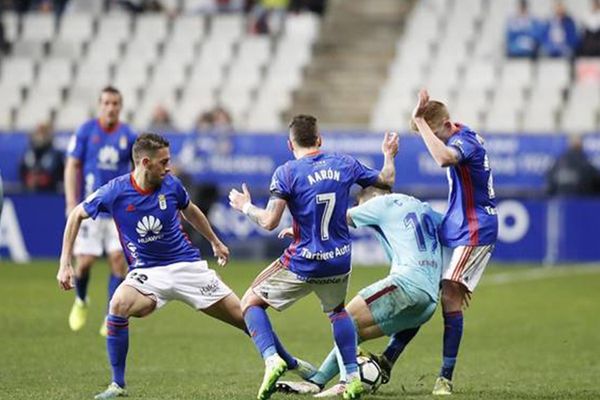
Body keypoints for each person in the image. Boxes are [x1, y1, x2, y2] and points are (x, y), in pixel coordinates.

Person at [56, 133, 247, 399]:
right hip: (147, 272)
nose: (169, 167)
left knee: (246, 318)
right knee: (118, 304)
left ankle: (287, 361)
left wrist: (215, 241)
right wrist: (65, 263)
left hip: (186, 266)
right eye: (164, 161)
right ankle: (117, 384)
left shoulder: (171, 184)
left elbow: (190, 210)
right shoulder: (116, 190)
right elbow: (77, 214)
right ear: (146, 162)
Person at [228, 115, 398, 400]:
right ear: (319, 140)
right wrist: (388, 155)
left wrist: (245, 207)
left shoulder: (287, 172)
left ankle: (272, 360)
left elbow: (270, 221)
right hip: (339, 259)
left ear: (289, 144)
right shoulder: (344, 163)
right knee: (337, 312)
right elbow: (387, 180)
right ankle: (353, 378)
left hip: (304, 260)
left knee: (249, 304)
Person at [275, 186, 444, 396]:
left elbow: (337, 217)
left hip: (407, 284)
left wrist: (303, 231)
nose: (360, 208)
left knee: (344, 318)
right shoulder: (424, 208)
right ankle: (318, 382)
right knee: (354, 333)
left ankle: (347, 382)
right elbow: (451, 229)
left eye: (360, 203)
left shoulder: (381, 203)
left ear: (371, 196)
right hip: (428, 304)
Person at [410, 89, 498, 395]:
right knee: (422, 295)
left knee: (449, 296)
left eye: (435, 134)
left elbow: (443, 158)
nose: (431, 140)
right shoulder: (461, 133)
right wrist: (423, 123)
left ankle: (444, 378)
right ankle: (388, 359)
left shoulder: (464, 142)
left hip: (475, 229)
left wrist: (419, 121)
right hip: (456, 227)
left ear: (446, 126)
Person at [64, 86, 137, 336]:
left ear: (120, 106)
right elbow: (72, 165)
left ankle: (110, 315)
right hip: (91, 207)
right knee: (84, 264)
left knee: (118, 262)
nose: (111, 107)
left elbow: (139, 172)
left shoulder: (128, 135)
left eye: (115, 103)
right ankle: (81, 300)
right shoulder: (86, 131)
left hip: (119, 209)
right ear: (100, 105)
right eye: (106, 102)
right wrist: (70, 201)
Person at [20, 122, 64, 192]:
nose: (40, 136)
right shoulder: (28, 153)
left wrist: (43, 179)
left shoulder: (56, 155)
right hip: (29, 194)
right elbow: (22, 173)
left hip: (50, 194)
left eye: (44, 132)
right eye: (38, 132)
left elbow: (59, 176)